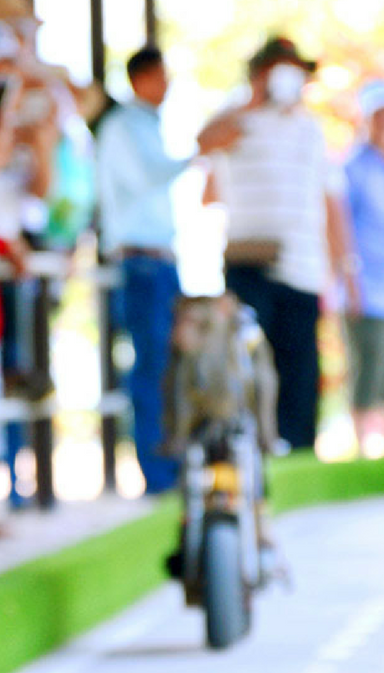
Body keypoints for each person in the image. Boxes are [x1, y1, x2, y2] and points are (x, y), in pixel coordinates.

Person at [96, 45, 237, 494]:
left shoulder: (147, 127)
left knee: (170, 365)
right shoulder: (122, 127)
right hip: (140, 263)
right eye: (161, 76)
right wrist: (199, 149)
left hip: (161, 261)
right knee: (153, 365)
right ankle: (157, 475)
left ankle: (170, 466)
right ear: (142, 78)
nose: (168, 86)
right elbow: (147, 178)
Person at [203, 36, 351, 451]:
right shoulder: (236, 117)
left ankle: (299, 450)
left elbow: (330, 198)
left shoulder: (311, 128)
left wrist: (343, 267)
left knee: (301, 370)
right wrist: (252, 102)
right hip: (250, 261)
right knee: (248, 362)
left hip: (303, 266)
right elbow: (203, 142)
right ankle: (248, 449)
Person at [343, 79, 384, 458]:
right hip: (366, 290)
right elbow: (340, 229)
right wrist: (349, 283)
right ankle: (362, 449)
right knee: (368, 368)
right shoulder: (353, 168)